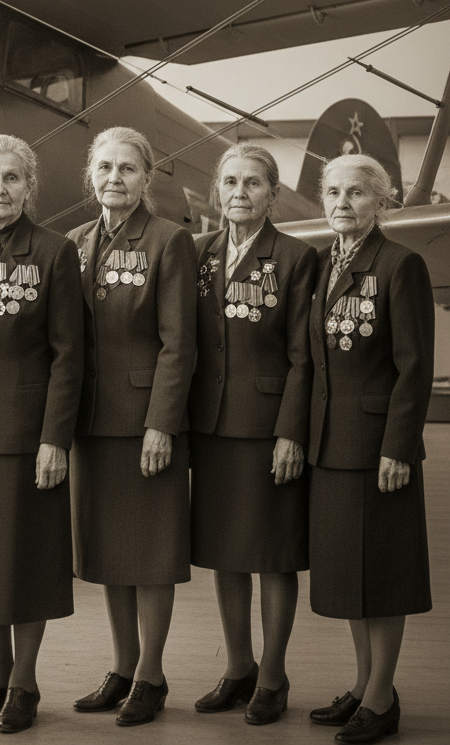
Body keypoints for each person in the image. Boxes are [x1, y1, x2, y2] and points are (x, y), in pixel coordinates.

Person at [0, 135, 84, 733]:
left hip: (28, 438)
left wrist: (55, 438)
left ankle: (24, 684)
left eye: (11, 179)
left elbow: (68, 354)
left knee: (25, 566)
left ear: (29, 188)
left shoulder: (54, 253)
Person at [67, 126, 197, 727]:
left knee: (150, 555)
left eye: (127, 169)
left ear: (147, 178)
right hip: (91, 422)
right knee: (108, 554)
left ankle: (151, 674)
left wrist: (161, 424)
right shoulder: (72, 243)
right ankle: (121, 668)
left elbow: (179, 343)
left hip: (146, 422)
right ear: (90, 176)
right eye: (105, 168)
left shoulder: (170, 241)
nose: (114, 178)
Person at [306, 154, 433, 745]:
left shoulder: (401, 265)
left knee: (381, 574)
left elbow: (414, 368)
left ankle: (382, 698)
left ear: (380, 201)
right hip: (332, 444)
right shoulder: (323, 264)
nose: (341, 203)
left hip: (380, 448)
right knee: (351, 575)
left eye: (356, 193)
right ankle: (362, 685)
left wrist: (399, 447)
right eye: (332, 192)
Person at [187, 143, 315, 724]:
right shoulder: (197, 253)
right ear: (217, 190)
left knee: (272, 554)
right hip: (212, 426)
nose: (240, 192)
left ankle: (272, 675)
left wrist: (292, 432)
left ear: (273, 193)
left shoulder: (295, 258)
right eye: (231, 182)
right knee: (225, 554)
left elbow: (303, 356)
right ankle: (238, 667)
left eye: (254, 183)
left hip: (267, 430)